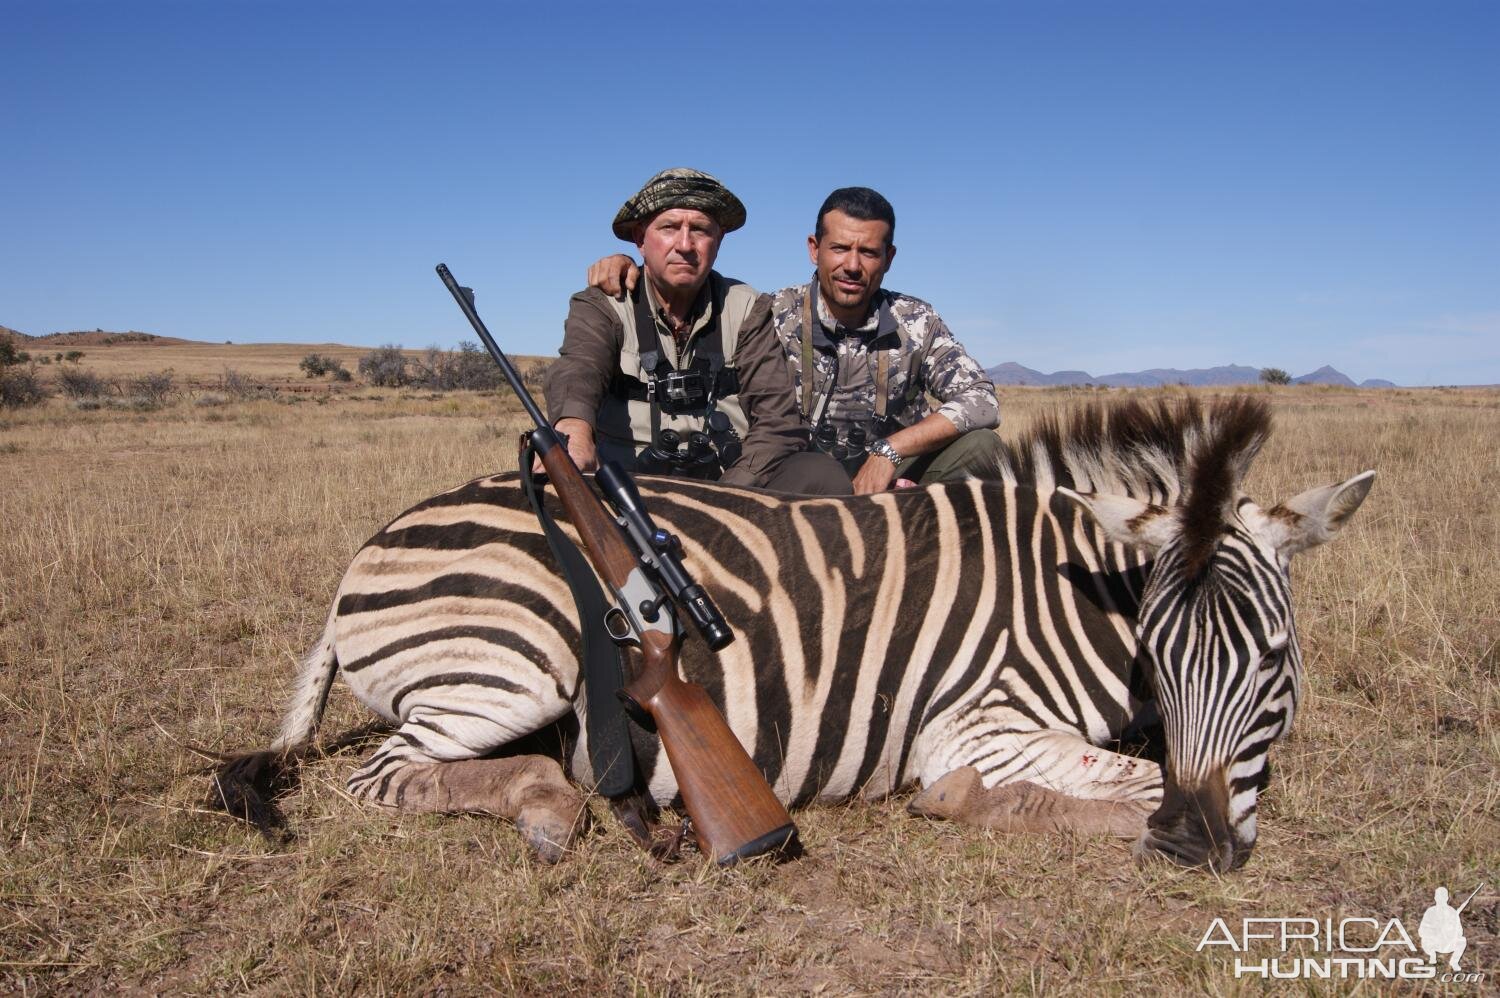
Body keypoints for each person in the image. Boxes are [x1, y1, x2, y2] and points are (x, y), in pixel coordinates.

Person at [589, 187, 1001, 495]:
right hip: (798, 480)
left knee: (984, 448)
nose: (852, 266)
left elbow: (982, 399)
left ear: (889, 258)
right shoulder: (772, 311)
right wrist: (630, 266)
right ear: (814, 249)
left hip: (891, 476)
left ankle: (929, 543)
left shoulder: (916, 320)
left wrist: (889, 452)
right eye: (839, 248)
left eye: (869, 252)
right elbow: (692, 289)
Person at [544, 168, 850, 494]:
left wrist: (724, 496)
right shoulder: (603, 303)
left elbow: (777, 424)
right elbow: (579, 369)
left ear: (718, 240)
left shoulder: (747, 307)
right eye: (669, 227)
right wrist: (574, 434)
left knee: (820, 474)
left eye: (700, 230)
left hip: (731, 488)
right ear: (640, 239)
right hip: (625, 485)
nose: (685, 244)